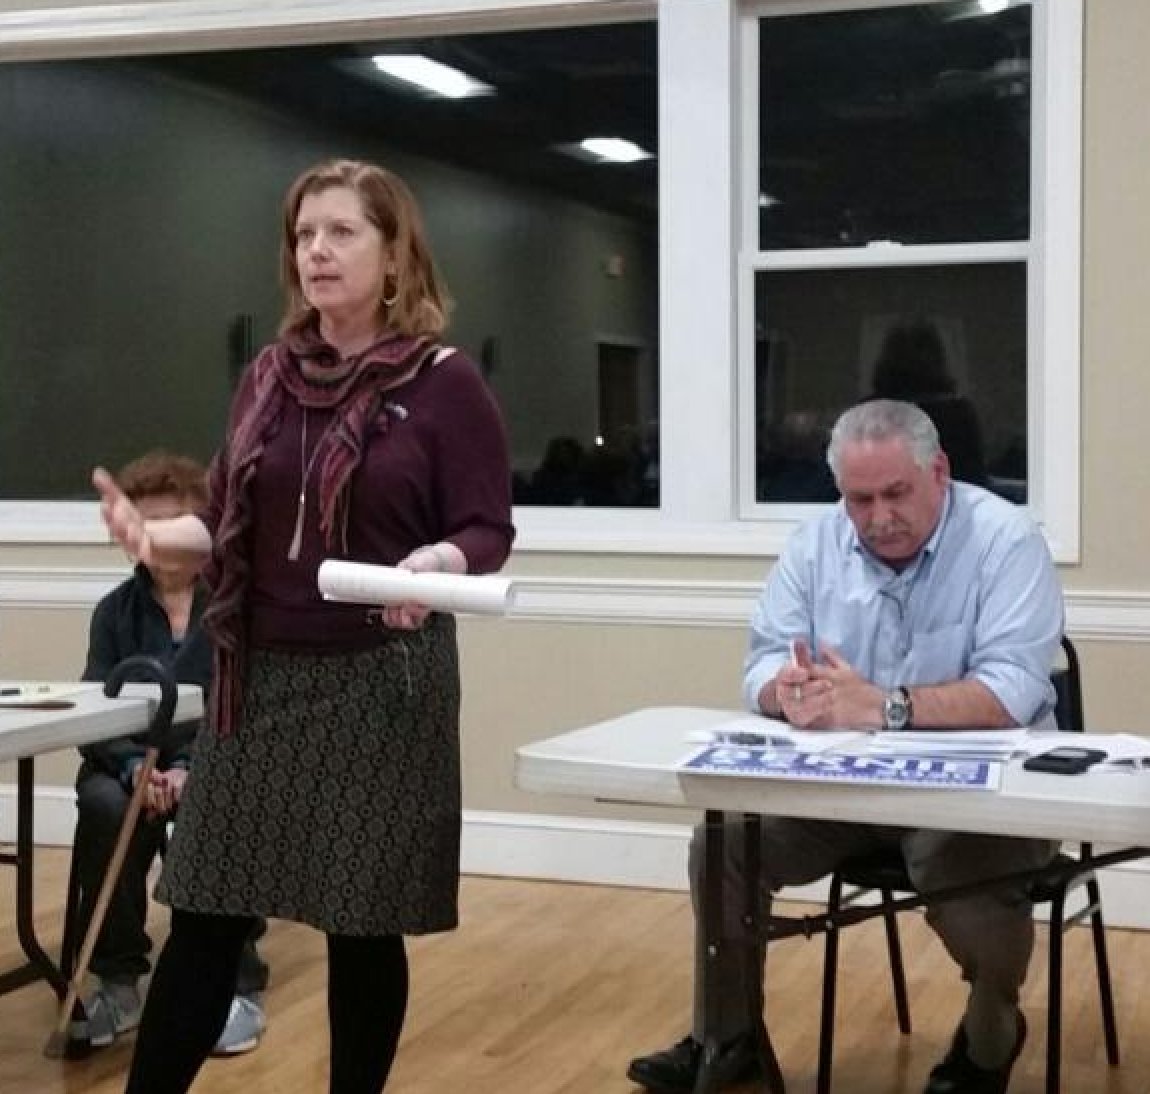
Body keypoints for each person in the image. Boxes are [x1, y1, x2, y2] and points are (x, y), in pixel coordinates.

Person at [91, 158, 515, 1094]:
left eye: (340, 232)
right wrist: (156, 533)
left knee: (361, 923)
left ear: (396, 252)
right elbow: (232, 524)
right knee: (204, 908)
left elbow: (487, 531)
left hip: (381, 682)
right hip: (261, 683)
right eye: (303, 234)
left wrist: (432, 569)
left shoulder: (445, 384)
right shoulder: (270, 377)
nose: (315, 251)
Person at [628, 399, 1063, 1094]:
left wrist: (885, 705)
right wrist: (787, 692)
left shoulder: (1005, 541)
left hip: (975, 793)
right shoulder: (814, 545)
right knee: (723, 846)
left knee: (966, 876)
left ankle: (990, 1035)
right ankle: (727, 1036)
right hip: (844, 787)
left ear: (940, 472)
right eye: (859, 499)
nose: (878, 516)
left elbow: (1012, 690)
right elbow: (760, 666)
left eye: (897, 493)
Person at [72, 449, 270, 1055]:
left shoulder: (239, 609)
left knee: (219, 808)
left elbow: (252, 708)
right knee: (103, 804)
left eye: (173, 529)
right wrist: (135, 765)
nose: (160, 545)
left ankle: (231, 984)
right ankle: (119, 981)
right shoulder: (115, 612)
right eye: (147, 530)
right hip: (133, 766)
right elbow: (94, 707)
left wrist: (190, 768)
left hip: (214, 763)